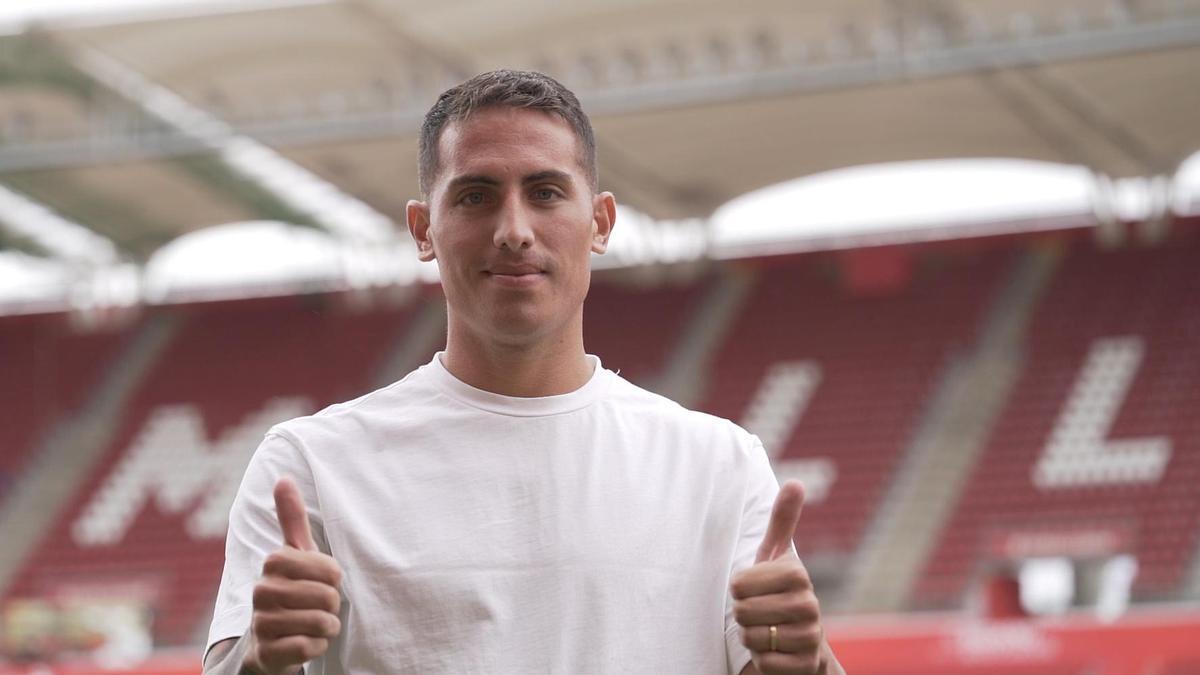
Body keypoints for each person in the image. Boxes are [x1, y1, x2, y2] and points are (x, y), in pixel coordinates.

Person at [202, 69, 844, 675]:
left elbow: (787, 659)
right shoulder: (311, 464)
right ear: (424, 229)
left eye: (545, 193)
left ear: (600, 222)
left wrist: (807, 661)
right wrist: (260, 656)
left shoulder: (717, 464)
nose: (514, 230)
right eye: (476, 196)